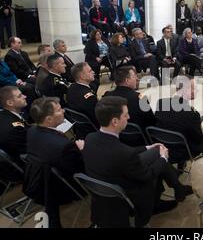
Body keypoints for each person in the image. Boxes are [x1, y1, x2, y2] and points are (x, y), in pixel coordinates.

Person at [82, 96, 191, 227]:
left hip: (107, 187)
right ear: (115, 121)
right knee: (160, 161)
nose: (128, 118)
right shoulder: (124, 154)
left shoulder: (90, 138)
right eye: (126, 115)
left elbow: (124, 152)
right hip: (130, 194)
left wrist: (147, 147)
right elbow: (148, 175)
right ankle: (161, 201)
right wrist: (164, 158)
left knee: (156, 150)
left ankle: (178, 189)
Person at [25, 97, 85, 228]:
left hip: (43, 180)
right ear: (49, 120)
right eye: (58, 110)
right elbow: (80, 167)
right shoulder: (63, 146)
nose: (63, 110)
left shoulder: (32, 131)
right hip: (67, 186)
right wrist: (81, 150)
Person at [155, 76, 203, 163]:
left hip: (162, 147)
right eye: (194, 88)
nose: (197, 90)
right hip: (181, 152)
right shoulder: (192, 114)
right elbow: (198, 139)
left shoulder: (161, 102)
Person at [103, 66, 156, 146]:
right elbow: (151, 121)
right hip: (139, 140)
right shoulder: (140, 98)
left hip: (115, 138)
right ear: (127, 81)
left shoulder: (107, 96)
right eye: (134, 77)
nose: (137, 79)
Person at [0, 86, 28, 162]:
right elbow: (29, 148)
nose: (25, 96)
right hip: (21, 160)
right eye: (20, 96)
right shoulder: (15, 128)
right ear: (10, 103)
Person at [66, 63, 98, 136]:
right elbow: (97, 118)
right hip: (92, 129)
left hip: (80, 128)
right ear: (82, 76)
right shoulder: (90, 98)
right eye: (90, 71)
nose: (93, 72)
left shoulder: (71, 88)